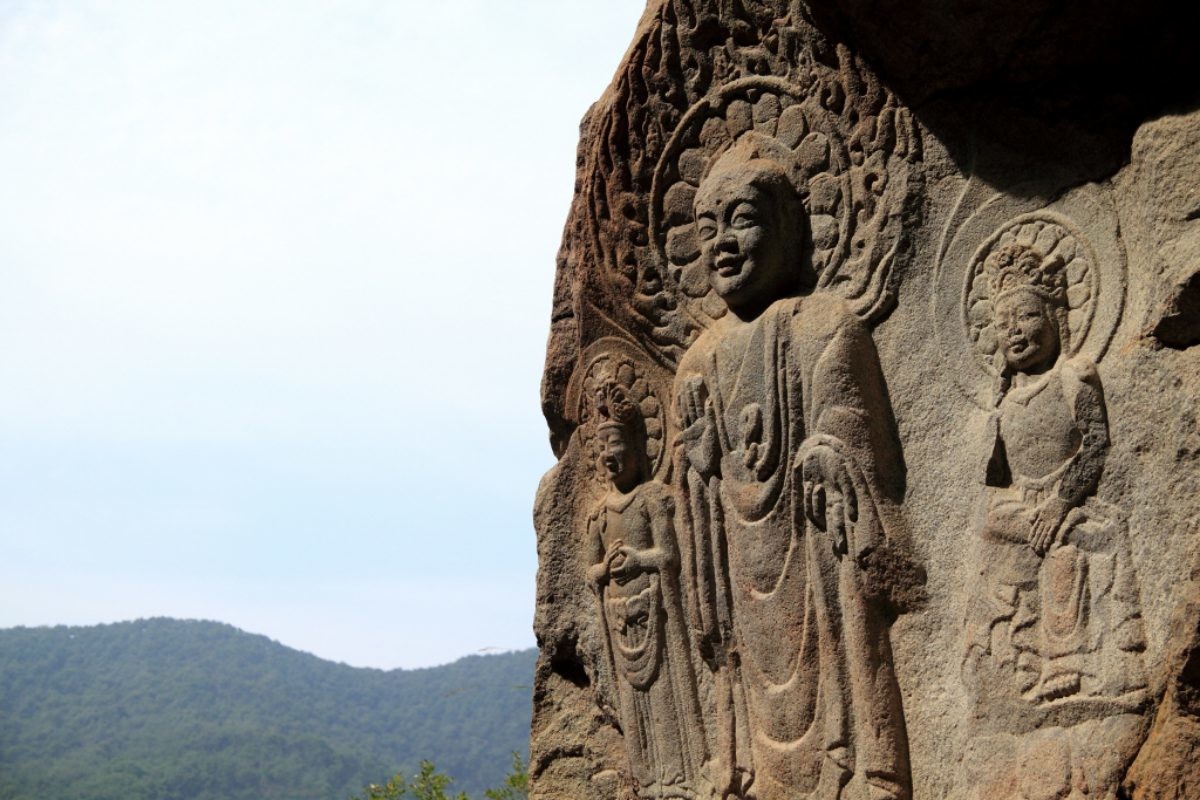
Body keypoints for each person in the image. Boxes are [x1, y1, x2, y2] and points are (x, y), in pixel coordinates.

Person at [673, 134, 912, 800]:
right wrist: (700, 469)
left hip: (816, 565)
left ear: (789, 231)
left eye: (743, 220)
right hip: (739, 578)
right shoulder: (698, 361)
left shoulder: (824, 325)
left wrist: (824, 455)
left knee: (845, 649)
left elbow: (856, 441)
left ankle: (865, 764)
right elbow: (694, 494)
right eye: (707, 230)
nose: (722, 244)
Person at [585, 370, 709, 799]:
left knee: (665, 698)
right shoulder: (599, 515)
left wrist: (639, 559)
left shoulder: (653, 498)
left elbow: (669, 555)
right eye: (602, 448)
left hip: (656, 613)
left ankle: (679, 777)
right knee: (633, 707)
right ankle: (645, 778)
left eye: (616, 445)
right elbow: (590, 572)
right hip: (620, 621)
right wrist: (604, 570)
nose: (609, 456)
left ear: (639, 447)